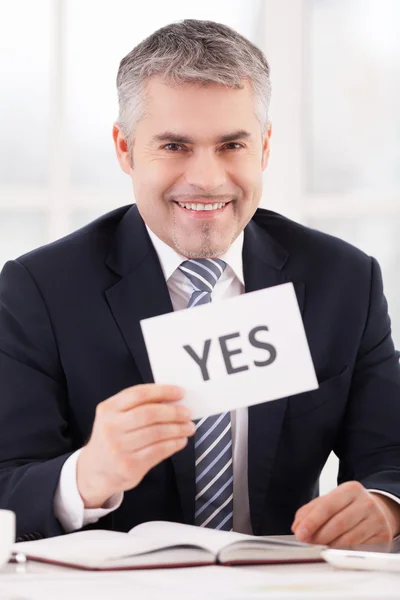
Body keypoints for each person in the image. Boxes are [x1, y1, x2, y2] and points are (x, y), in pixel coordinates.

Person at [1, 19, 400, 546]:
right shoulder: (39, 290)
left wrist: (385, 507)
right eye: (174, 147)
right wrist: (85, 477)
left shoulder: (343, 281)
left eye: (232, 145)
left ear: (264, 147)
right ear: (125, 149)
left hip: (286, 586)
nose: (208, 179)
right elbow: (8, 482)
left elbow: (389, 455)